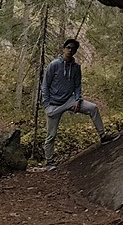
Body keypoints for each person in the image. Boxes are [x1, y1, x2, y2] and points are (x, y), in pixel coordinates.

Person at [39, 38, 117, 169]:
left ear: (75, 51)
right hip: (53, 103)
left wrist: (77, 99)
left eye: (73, 49)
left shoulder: (76, 67)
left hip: (70, 100)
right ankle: (49, 162)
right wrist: (46, 104)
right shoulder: (54, 65)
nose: (70, 50)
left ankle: (103, 136)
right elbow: (45, 85)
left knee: (93, 108)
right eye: (68, 47)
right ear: (63, 49)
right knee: (51, 135)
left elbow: (77, 86)